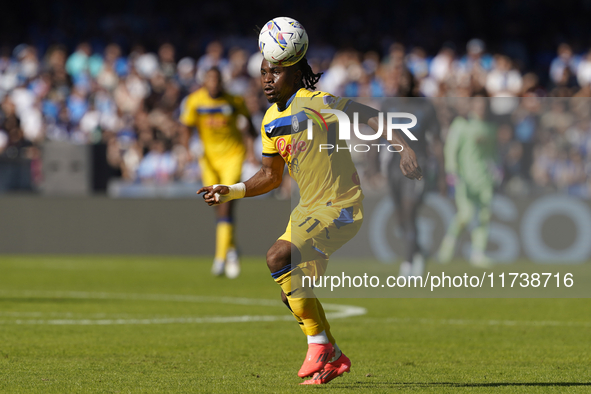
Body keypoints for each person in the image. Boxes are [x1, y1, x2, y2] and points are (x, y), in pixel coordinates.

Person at [198, 56, 422, 385]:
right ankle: (334, 355)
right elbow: (270, 176)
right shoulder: (270, 122)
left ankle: (317, 344)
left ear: (296, 73)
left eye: (275, 71)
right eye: (263, 73)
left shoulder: (317, 102)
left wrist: (402, 147)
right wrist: (229, 191)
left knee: (277, 256)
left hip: (340, 205)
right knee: (290, 294)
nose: (267, 79)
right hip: (307, 210)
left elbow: (368, 115)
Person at [181, 67, 257, 278]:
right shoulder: (195, 101)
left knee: (225, 202)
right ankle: (231, 249)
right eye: (209, 78)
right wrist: (186, 149)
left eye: (216, 79)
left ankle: (220, 258)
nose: (213, 83)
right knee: (216, 205)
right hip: (209, 160)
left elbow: (249, 127)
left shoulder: (234, 101)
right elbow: (186, 126)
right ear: (205, 81)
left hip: (232, 157)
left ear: (221, 81)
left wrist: (251, 152)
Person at [381, 71, 444, 278]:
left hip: (418, 165)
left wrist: (442, 173)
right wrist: (373, 166)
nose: (405, 83)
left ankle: (407, 265)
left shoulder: (425, 106)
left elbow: (436, 141)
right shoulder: (388, 105)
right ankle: (419, 252)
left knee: (410, 212)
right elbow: (377, 135)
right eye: (401, 79)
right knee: (400, 218)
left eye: (408, 80)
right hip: (393, 167)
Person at [438, 94, 497, 266]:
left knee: (484, 216)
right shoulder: (461, 126)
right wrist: (451, 171)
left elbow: (493, 153)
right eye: (477, 104)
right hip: (465, 178)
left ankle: (478, 253)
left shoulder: (490, 128)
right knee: (466, 214)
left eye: (483, 105)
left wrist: (497, 171)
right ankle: (448, 246)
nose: (481, 108)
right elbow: (451, 149)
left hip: (484, 179)